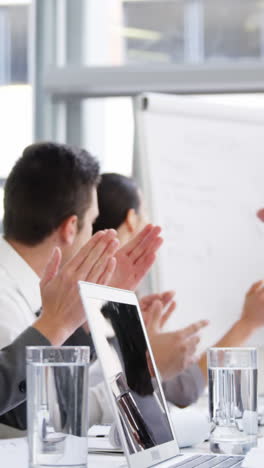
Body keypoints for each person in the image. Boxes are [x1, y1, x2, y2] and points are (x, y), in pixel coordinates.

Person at [93, 172, 264, 403]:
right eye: (145, 212)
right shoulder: (102, 299)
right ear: (132, 218)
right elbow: (181, 389)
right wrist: (247, 323)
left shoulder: (96, 295)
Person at [0, 228, 120, 416]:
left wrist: (79, 323)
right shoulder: (7, 298)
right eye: (92, 221)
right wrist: (54, 325)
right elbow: (23, 417)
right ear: (70, 227)